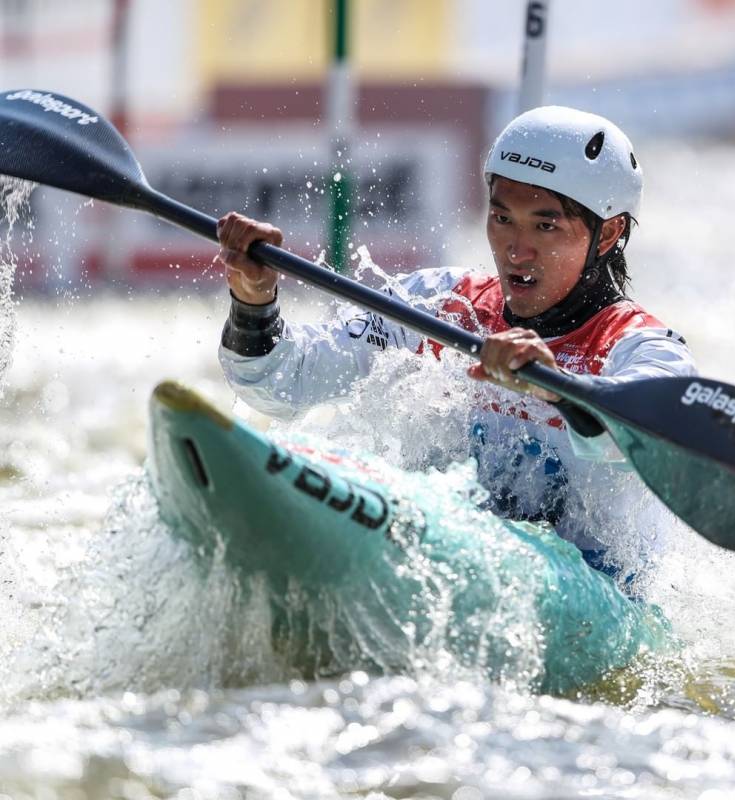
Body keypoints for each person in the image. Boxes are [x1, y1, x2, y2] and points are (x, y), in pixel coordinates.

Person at [215, 106, 697, 589]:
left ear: (609, 232)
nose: (516, 248)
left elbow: (649, 437)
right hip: (461, 566)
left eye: (545, 226)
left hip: (596, 599)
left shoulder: (643, 348)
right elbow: (284, 384)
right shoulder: (442, 305)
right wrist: (254, 299)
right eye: (503, 218)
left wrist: (558, 389)